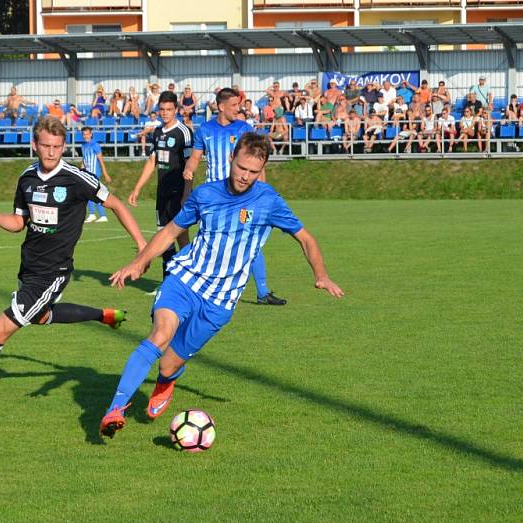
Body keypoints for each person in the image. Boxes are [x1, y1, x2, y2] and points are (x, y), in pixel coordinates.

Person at [98, 132, 344, 438]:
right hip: (186, 279)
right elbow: (172, 231)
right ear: (231, 159)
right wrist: (139, 261)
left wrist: (320, 274)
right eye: (242, 168)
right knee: (160, 335)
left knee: (167, 365)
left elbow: (305, 238)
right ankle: (115, 409)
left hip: (221, 301)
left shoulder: (269, 201)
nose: (245, 176)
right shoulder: (205, 194)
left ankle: (166, 381)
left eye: (254, 172)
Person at [0, 116, 147, 408]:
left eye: (57, 147)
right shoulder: (27, 178)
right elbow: (19, 222)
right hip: (29, 268)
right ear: (34, 144)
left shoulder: (76, 179)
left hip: (53, 273)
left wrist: (141, 248)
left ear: (64, 147)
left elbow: (115, 205)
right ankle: (104, 315)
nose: (51, 152)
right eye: (46, 146)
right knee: (39, 317)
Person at [184, 87, 284, 306]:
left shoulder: (245, 129)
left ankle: (262, 292)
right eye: (233, 106)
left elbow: (258, 161)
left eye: (238, 105)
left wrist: (263, 189)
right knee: (209, 241)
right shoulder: (204, 130)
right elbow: (194, 158)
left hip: (244, 197)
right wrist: (189, 169)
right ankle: (201, 286)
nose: (238, 109)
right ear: (221, 107)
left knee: (249, 240)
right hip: (215, 198)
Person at [127, 91, 192, 284]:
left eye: (169, 109)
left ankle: (189, 279)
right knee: (164, 237)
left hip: (178, 192)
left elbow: (191, 166)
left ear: (176, 110)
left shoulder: (184, 133)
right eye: (162, 109)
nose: (165, 113)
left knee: (181, 238)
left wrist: (187, 194)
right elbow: (152, 161)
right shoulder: (157, 132)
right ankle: (169, 282)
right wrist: (137, 188)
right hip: (162, 192)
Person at [80, 126, 112, 223]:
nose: (85, 136)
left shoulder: (95, 145)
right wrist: (81, 169)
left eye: (87, 134)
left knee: (91, 193)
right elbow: (84, 159)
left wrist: (105, 174)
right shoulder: (83, 146)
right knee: (93, 194)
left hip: (95, 173)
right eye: (84, 134)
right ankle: (98, 215)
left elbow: (100, 160)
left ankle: (95, 214)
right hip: (87, 174)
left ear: (91, 134)